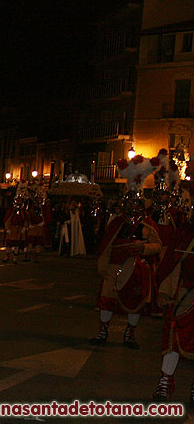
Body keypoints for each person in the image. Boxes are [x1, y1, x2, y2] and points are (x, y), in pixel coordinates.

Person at [90, 154, 162, 349]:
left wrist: (143, 247)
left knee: (135, 302)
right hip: (114, 268)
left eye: (136, 204)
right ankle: (103, 331)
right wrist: (103, 267)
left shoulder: (148, 225)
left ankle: (129, 335)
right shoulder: (117, 223)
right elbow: (106, 245)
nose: (132, 207)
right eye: (129, 203)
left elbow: (157, 246)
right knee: (107, 300)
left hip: (138, 270)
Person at [152, 194, 194, 402]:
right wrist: (166, 291)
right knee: (173, 338)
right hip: (184, 294)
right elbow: (173, 263)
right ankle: (165, 380)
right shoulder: (186, 233)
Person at [3, 181, 29, 264]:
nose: (19, 202)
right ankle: (7, 256)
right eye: (18, 200)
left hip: (19, 229)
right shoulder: (12, 209)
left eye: (20, 201)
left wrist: (24, 227)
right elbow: (7, 218)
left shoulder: (23, 211)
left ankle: (15, 258)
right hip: (12, 228)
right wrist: (7, 228)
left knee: (17, 244)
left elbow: (25, 219)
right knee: (9, 244)